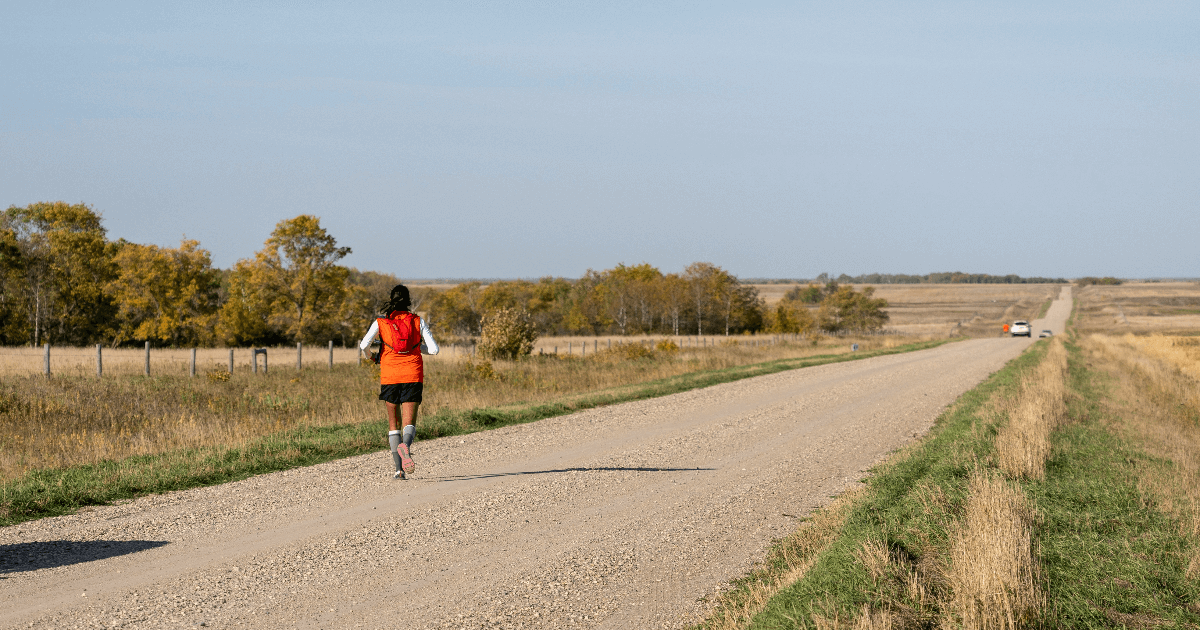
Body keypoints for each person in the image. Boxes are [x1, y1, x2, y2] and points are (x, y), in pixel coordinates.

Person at [359, 284, 439, 479]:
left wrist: (372, 357)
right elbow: (434, 349)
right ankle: (406, 446)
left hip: (390, 375)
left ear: (391, 300)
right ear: (408, 301)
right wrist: (417, 349)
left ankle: (399, 470)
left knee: (393, 423)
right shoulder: (417, 321)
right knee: (409, 423)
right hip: (412, 374)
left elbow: (363, 345)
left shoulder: (381, 322)